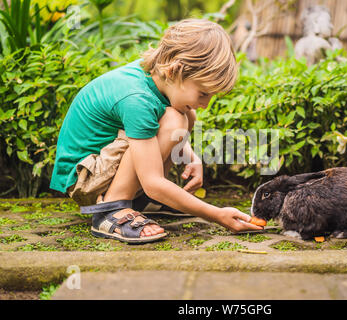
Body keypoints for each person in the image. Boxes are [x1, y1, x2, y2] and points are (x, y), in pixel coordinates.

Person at [50, 19, 262, 243]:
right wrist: (216, 214)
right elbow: (152, 181)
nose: (206, 103)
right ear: (174, 70)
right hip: (84, 178)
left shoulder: (154, 76)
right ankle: (111, 210)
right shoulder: (136, 99)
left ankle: (141, 202)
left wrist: (189, 155)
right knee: (173, 120)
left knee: (186, 115)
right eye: (202, 94)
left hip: (103, 165)